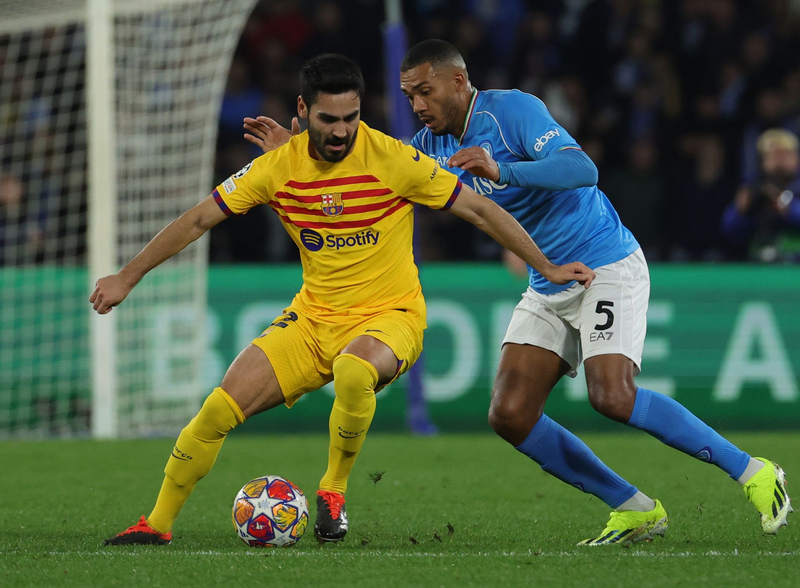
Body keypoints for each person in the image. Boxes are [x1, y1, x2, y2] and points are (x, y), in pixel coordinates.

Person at [244, 40, 791, 545]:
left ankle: (754, 471)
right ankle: (633, 506)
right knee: (509, 413)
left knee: (613, 396)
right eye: (409, 96)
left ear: (459, 81)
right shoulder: (427, 146)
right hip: (547, 280)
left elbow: (583, 168)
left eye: (426, 92)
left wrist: (503, 170)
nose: (418, 105)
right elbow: (366, 180)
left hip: (603, 263)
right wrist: (297, 154)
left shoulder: (512, 111)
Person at [94, 54, 594, 546]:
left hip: (390, 316)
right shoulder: (276, 168)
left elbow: (481, 211)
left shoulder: (393, 160)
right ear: (304, 109)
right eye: (328, 119)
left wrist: (546, 267)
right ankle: (157, 523)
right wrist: (127, 277)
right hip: (312, 319)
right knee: (215, 413)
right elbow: (199, 219)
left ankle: (332, 492)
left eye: (350, 118)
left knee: (354, 371)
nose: (340, 131)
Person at [721, 128, 800, 262]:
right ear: (762, 161)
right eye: (774, 155)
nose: (780, 161)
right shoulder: (755, 190)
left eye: (786, 154)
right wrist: (741, 212)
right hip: (758, 266)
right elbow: (729, 231)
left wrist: (788, 209)